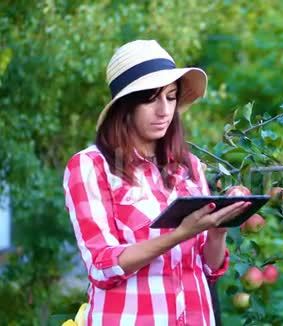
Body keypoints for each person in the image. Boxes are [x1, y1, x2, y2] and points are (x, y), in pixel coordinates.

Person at [63, 39, 250, 325]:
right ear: (124, 106)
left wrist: (217, 231)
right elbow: (102, 266)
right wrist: (179, 234)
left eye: (171, 97)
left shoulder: (190, 167)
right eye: (151, 98)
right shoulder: (91, 166)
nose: (164, 110)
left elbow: (208, 269)